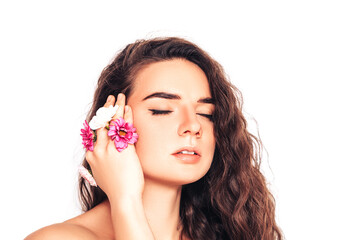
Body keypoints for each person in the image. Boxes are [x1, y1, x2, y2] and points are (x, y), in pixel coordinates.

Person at [25, 37, 282, 240]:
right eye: (162, 110)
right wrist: (125, 201)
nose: (193, 126)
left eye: (207, 113)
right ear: (112, 123)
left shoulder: (232, 233)